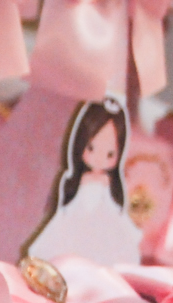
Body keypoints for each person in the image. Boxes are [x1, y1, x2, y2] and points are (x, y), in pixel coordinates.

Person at [26, 96, 142, 266]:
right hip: (75, 224)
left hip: (102, 229)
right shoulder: (76, 180)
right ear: (81, 144)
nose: (99, 159)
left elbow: (112, 210)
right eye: (91, 148)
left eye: (110, 154)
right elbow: (69, 209)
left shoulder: (108, 184)